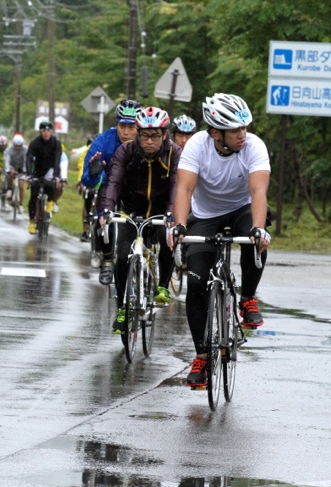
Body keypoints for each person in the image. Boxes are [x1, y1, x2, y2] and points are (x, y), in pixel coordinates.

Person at [168, 93, 271, 388]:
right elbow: (184, 190)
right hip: (206, 215)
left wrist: (259, 228)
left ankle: (248, 297)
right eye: (235, 130)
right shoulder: (197, 147)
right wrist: (178, 226)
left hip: (242, 209)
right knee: (197, 283)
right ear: (215, 132)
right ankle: (201, 356)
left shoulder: (254, 146)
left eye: (244, 128)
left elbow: (258, 193)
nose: (243, 134)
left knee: (257, 238)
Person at [99, 106, 181, 334]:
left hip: (161, 213)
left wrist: (171, 214)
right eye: (144, 135)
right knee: (123, 253)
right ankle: (123, 309)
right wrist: (107, 210)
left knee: (168, 240)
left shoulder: (174, 154)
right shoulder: (126, 151)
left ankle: (163, 286)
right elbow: (114, 182)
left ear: (164, 134)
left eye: (155, 135)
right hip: (131, 212)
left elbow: (177, 185)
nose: (149, 141)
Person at [80, 100, 142, 282]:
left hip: (138, 189)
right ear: (116, 124)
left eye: (132, 127)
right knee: (103, 216)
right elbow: (87, 180)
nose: (126, 132)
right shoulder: (104, 141)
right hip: (111, 187)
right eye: (122, 126)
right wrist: (93, 173)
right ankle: (107, 260)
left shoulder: (147, 140)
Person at [25, 120, 62, 234]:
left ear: (51, 132)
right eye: (43, 131)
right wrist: (29, 174)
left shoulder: (56, 143)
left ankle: (50, 202)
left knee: (51, 184)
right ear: (40, 132)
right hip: (37, 170)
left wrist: (56, 175)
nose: (46, 133)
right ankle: (32, 222)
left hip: (51, 169)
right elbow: (29, 158)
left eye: (48, 131)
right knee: (34, 192)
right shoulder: (35, 143)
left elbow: (57, 159)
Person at [3, 133, 28, 207]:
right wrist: (8, 169)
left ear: (22, 145)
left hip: (21, 167)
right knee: (10, 174)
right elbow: (6, 160)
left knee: (21, 186)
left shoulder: (25, 150)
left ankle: (20, 204)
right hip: (12, 166)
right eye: (16, 146)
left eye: (19, 146)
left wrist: (24, 171)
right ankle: (9, 188)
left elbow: (26, 161)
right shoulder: (8, 149)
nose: (17, 148)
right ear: (13, 144)